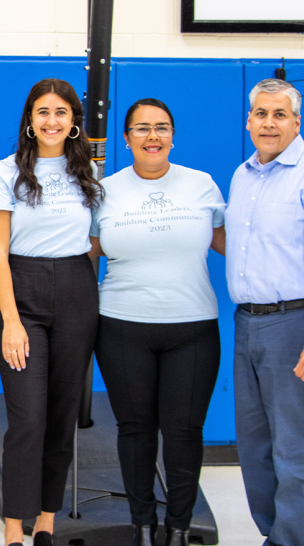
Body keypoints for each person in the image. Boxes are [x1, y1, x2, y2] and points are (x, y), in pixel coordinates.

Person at [88, 99, 226, 546]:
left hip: (194, 328)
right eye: (142, 128)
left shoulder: (202, 185)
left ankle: (179, 528)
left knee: (185, 431)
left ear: (173, 135)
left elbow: (236, 245)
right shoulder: (103, 191)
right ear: (126, 138)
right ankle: (142, 525)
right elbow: (83, 256)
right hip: (123, 327)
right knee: (136, 429)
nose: (153, 136)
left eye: (162, 127)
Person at [0, 78, 102, 546]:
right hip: (21, 294)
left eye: (61, 112)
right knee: (28, 418)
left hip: (76, 291)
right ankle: (15, 526)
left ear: (74, 123)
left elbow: (95, 243)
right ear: (29, 119)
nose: (52, 121)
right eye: (42, 112)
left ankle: (47, 520)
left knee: (61, 414)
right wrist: (11, 319)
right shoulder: (4, 173)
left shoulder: (87, 173)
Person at [225, 78, 304, 546]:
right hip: (246, 324)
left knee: (294, 451)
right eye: (260, 114)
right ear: (248, 121)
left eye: (279, 114)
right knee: (254, 447)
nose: (269, 123)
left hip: (295, 326)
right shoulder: (243, 174)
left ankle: (287, 542)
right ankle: (272, 535)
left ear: (297, 122)